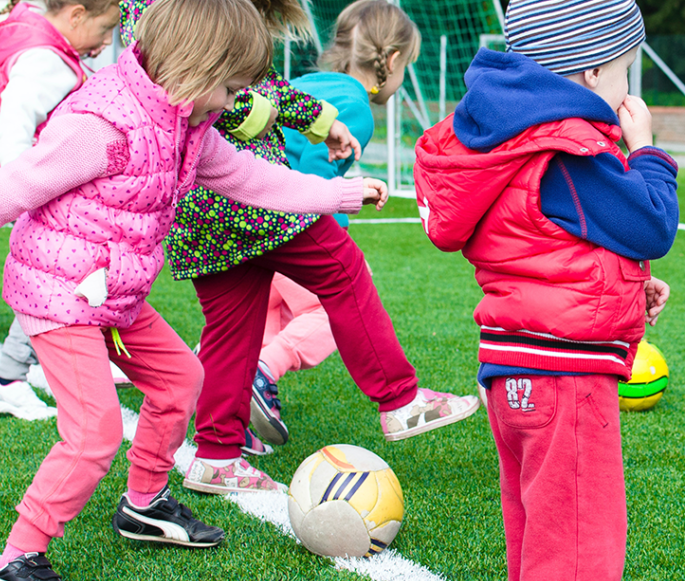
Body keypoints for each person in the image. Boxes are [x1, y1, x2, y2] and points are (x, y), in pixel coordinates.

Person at [0, 0, 387, 581]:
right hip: (60, 295)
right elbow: (8, 189)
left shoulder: (187, 125)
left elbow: (255, 180)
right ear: (194, 70)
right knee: (94, 433)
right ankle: (15, 560)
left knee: (182, 380)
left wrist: (339, 193)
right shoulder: (104, 124)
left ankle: (144, 505)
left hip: (113, 293)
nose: (233, 105)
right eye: (228, 88)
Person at [413, 1, 679, 581]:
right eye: (624, 73)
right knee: (581, 555)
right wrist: (647, 152)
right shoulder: (565, 146)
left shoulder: (507, 137)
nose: (626, 91)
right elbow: (651, 223)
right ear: (589, 73)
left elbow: (542, 242)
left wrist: (626, 283)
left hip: (515, 370)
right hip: (567, 376)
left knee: (542, 544)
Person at [160, 0, 478, 496]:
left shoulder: (182, 19)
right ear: (390, 61)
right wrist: (330, 188)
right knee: (344, 270)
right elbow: (241, 98)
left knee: (232, 324)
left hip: (200, 205)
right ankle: (399, 398)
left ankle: (216, 454)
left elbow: (254, 92)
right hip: (253, 197)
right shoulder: (206, 24)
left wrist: (313, 118)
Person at [249, 0, 420, 450]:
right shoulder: (356, 109)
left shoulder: (305, 85)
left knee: (263, 315)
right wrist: (332, 238)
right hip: (284, 223)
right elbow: (314, 170)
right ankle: (263, 372)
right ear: (394, 61)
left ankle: (236, 408)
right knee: (328, 309)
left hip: (243, 216)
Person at [0, 0, 121, 421]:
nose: (107, 41)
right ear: (76, 15)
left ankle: (9, 378)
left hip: (42, 190)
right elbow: (15, 128)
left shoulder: (37, 41)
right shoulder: (45, 58)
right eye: (105, 28)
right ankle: (8, 380)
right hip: (45, 193)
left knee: (59, 283)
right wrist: (28, 184)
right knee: (59, 284)